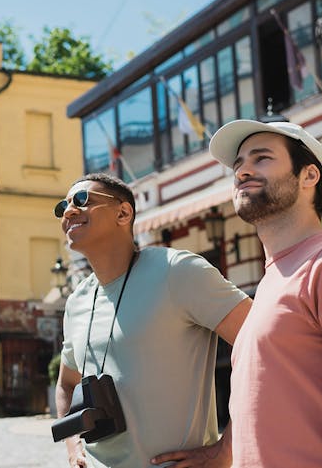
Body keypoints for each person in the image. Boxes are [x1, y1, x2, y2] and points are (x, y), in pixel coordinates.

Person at [53, 172, 251, 468]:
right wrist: (72, 445)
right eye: (63, 207)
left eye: (83, 200)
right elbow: (66, 384)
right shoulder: (77, 301)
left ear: (123, 213)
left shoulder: (177, 271)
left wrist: (228, 447)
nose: (69, 211)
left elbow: (263, 344)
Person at [208, 118, 322, 467]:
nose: (243, 171)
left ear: (309, 176)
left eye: (262, 158)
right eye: (239, 163)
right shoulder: (272, 280)